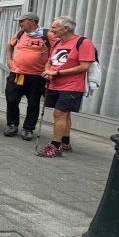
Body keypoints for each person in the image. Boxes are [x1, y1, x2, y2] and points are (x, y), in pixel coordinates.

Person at [37, 16, 97, 158]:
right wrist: (47, 71)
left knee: (59, 113)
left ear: (66, 28)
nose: (51, 30)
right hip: (55, 84)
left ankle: (55, 147)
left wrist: (57, 72)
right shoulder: (58, 43)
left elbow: (84, 66)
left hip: (72, 85)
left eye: (54, 27)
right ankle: (66, 141)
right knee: (65, 113)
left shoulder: (84, 43)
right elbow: (50, 61)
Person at [4, 12, 56, 140]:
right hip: (17, 73)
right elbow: (10, 46)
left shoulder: (47, 35)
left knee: (33, 102)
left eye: (22, 21)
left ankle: (28, 129)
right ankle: (12, 125)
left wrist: (50, 68)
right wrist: (9, 60)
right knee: (11, 99)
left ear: (32, 22)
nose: (19, 24)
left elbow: (58, 51)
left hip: (37, 76)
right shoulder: (20, 34)